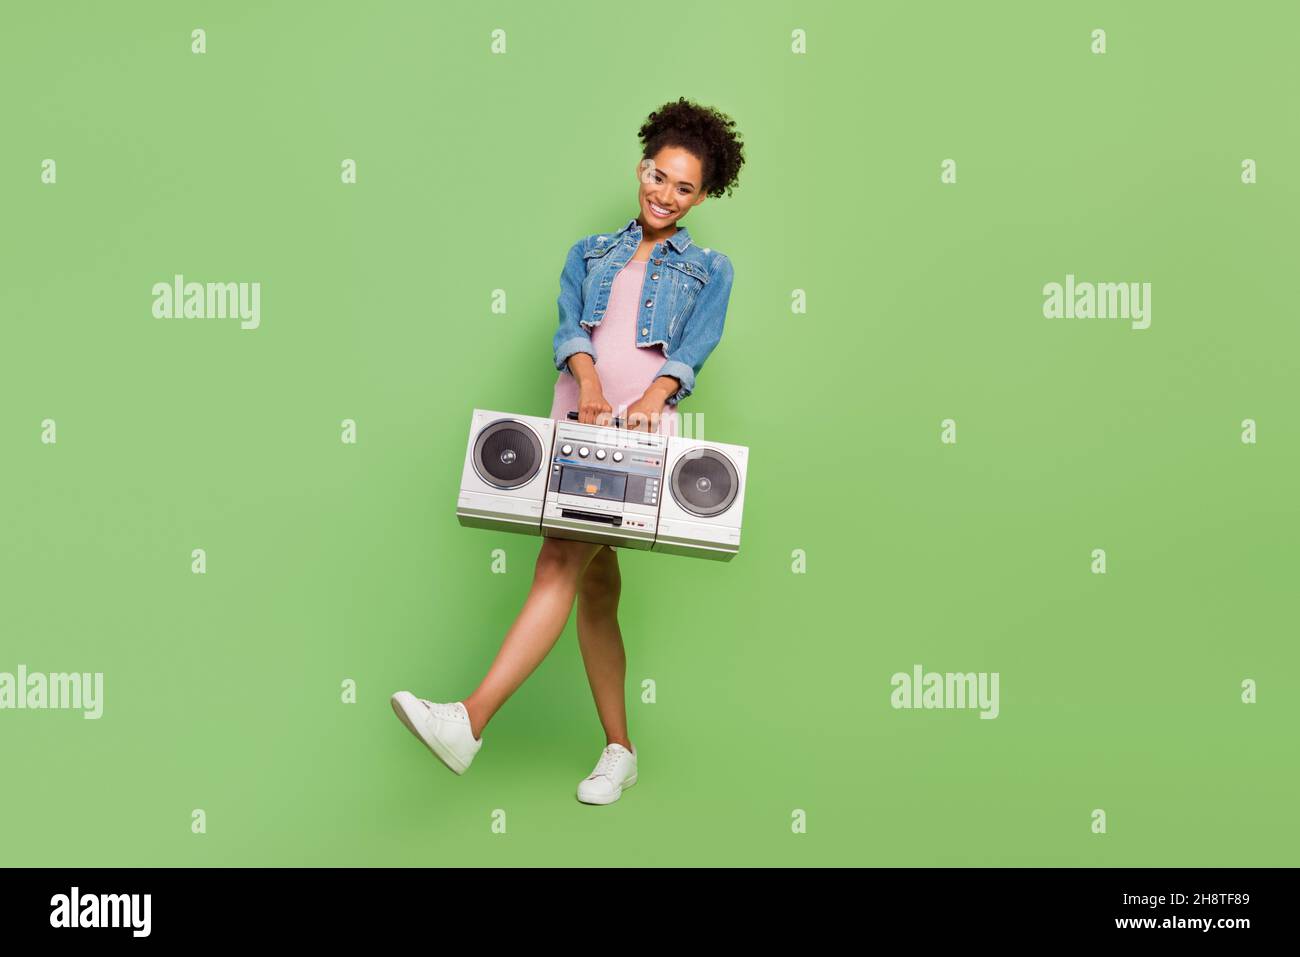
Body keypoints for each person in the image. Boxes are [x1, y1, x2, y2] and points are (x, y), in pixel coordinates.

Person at [392, 97, 744, 804]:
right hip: (576, 419)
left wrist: (651, 397)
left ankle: (471, 720)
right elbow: (568, 334)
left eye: (685, 188)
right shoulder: (589, 252)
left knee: (559, 558)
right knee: (597, 588)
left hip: (641, 431)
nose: (666, 195)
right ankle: (620, 750)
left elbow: (695, 346)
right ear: (640, 166)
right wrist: (586, 384)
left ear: (703, 195)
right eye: (658, 175)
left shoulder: (711, 267)